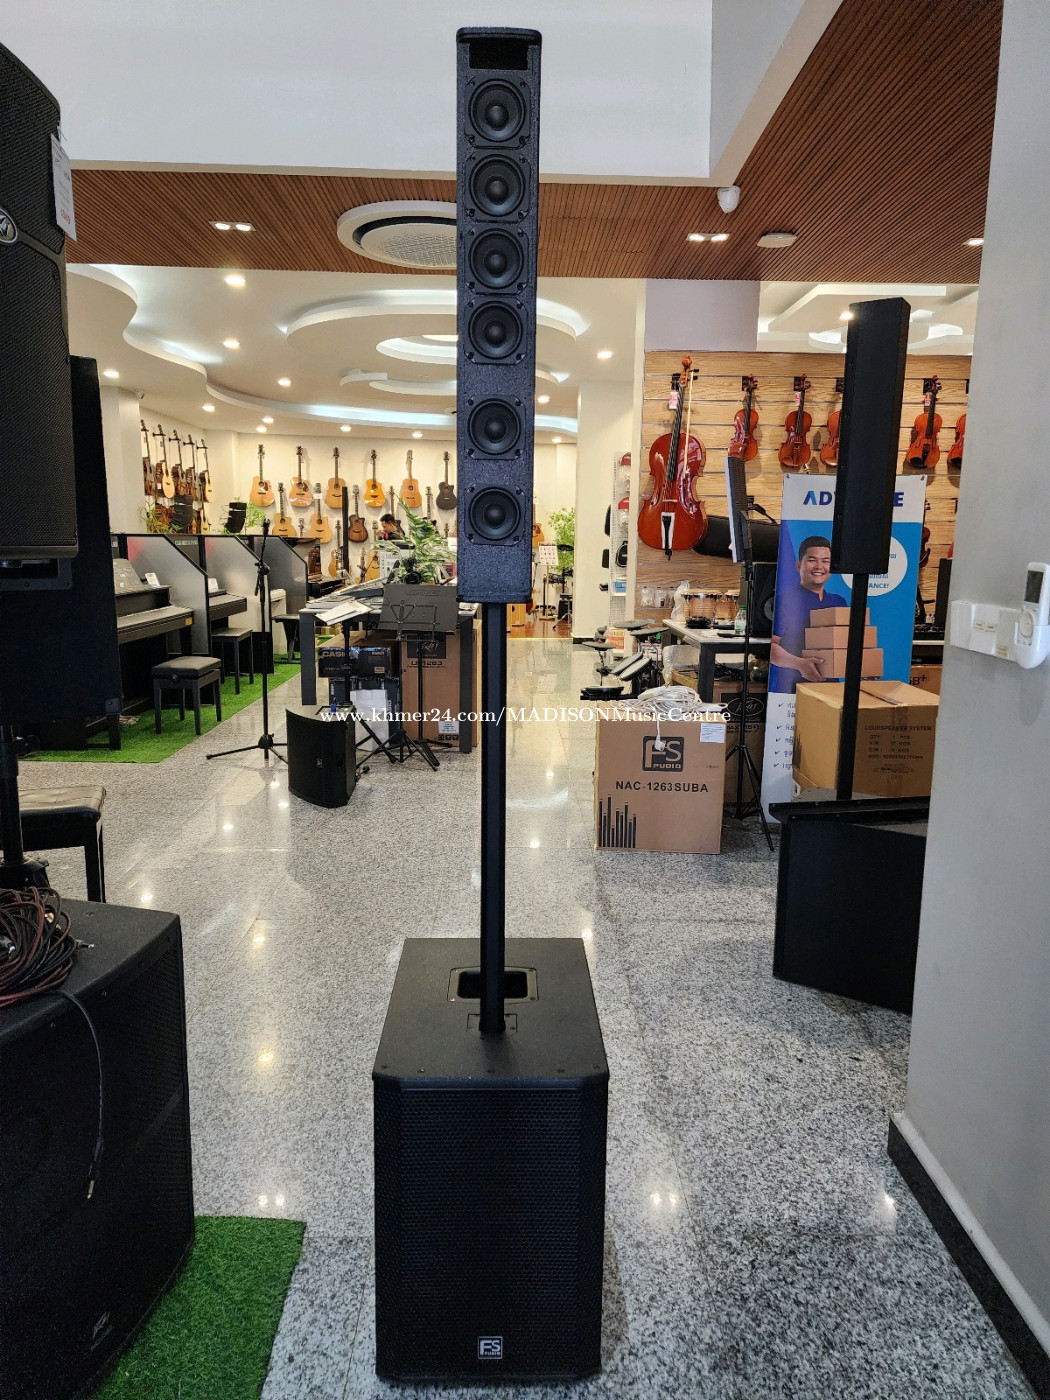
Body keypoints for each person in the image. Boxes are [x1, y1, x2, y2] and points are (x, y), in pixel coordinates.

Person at [769, 535, 849, 692]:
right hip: (790, 688)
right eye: (812, 560)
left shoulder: (839, 601)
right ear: (798, 565)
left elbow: (846, 643)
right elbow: (770, 647)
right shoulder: (785, 601)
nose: (819, 566)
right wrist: (800, 664)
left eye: (825, 561)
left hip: (831, 689)